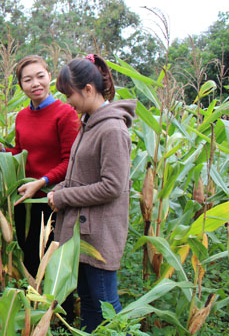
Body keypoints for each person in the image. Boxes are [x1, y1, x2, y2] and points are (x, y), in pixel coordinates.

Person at [48, 54, 136, 332]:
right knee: (88, 302)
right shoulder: (89, 123)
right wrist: (59, 188)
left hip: (98, 236)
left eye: (69, 94)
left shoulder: (111, 129)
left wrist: (62, 197)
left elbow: (112, 186)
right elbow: (82, 175)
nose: (66, 102)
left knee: (105, 305)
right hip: (83, 234)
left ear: (88, 89)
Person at [9, 55, 79, 278]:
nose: (35, 83)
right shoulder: (21, 116)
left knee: (53, 266)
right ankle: (34, 311)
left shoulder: (65, 114)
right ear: (21, 85)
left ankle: (59, 312)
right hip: (25, 201)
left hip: (51, 200)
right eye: (27, 80)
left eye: (40, 76)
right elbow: (21, 153)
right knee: (30, 261)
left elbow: (71, 161)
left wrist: (43, 181)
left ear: (50, 76)